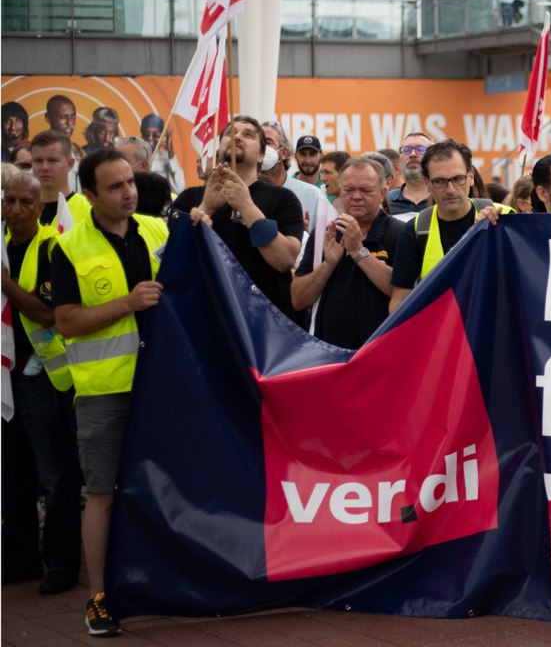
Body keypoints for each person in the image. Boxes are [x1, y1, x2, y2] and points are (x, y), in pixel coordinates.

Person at [50, 148, 170, 637]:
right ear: (90, 194)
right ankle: (98, 596)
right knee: (100, 495)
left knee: (165, 487)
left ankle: (164, 580)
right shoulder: (69, 247)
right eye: (116, 186)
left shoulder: (159, 231)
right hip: (104, 392)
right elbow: (66, 322)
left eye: (131, 182)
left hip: (164, 385)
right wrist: (126, 302)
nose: (129, 192)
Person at [2, 172, 82, 596]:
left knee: (55, 476)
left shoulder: (53, 246)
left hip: (44, 376)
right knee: (12, 472)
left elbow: (48, 315)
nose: (15, 210)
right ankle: (18, 558)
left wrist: (5, 284)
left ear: (40, 207)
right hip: (5, 374)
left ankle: (62, 562)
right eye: (8, 201)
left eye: (24, 203)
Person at [173, 116, 304, 322]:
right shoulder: (190, 198)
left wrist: (247, 207)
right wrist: (206, 208)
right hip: (206, 317)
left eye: (248, 135)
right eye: (230, 133)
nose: (237, 137)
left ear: (261, 155)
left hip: (265, 322)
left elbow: (284, 260)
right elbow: (173, 258)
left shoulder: (283, 199)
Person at [292, 157, 402, 349]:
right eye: (349, 190)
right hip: (330, 355)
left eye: (366, 190)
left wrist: (358, 252)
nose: (357, 196)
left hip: (382, 353)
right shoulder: (325, 234)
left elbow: (404, 293)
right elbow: (298, 299)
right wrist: (328, 264)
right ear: (340, 192)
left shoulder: (400, 233)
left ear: (383, 193)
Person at [388, 139, 508, 312]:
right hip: (440, 335)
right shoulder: (415, 230)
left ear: (471, 177)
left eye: (458, 179)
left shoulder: (505, 217)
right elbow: (399, 302)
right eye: (439, 182)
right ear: (427, 183)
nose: (450, 189)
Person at [29, 130, 92, 229]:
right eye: (38, 161)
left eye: (52, 160)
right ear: (31, 163)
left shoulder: (88, 210)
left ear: (70, 164)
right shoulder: (22, 210)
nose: (45, 167)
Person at [387, 133, 433, 215]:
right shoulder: (387, 201)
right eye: (406, 150)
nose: (412, 154)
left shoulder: (443, 198)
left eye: (420, 149)